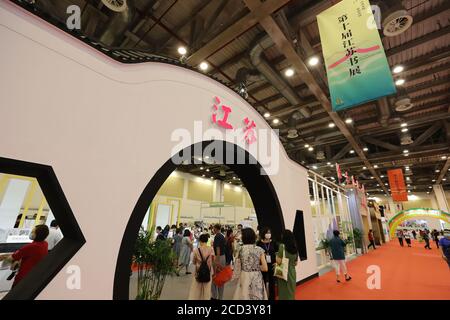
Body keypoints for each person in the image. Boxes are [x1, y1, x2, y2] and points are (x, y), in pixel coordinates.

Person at [233, 228, 268, 300]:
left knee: (244, 295)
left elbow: (237, 267)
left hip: (244, 275)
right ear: (254, 237)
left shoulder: (240, 249)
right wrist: (256, 267)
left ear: (243, 237)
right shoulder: (259, 250)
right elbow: (265, 268)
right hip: (256, 276)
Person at [188, 233, 215, 300]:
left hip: (198, 271)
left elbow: (193, 262)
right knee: (207, 289)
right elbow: (213, 260)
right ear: (207, 241)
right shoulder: (211, 249)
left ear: (200, 241)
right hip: (208, 271)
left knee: (196, 289)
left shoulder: (196, 250)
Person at [257, 227, 278, 300]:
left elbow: (276, 253)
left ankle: (272, 297)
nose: (268, 234)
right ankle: (262, 296)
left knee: (272, 282)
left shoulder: (273, 242)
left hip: (272, 264)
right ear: (264, 234)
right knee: (262, 281)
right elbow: (257, 254)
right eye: (267, 232)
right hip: (263, 265)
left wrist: (276, 262)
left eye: (269, 233)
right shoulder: (259, 243)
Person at [276, 230, 298, 300]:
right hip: (292, 272)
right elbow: (295, 263)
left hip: (283, 272)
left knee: (284, 291)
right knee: (291, 291)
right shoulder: (295, 247)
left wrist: (276, 255)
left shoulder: (282, 246)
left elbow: (279, 261)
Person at [211, 224, 226, 300]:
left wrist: (216, 261)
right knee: (221, 278)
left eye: (213, 228)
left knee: (216, 277)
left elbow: (218, 249)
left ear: (216, 228)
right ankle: (220, 297)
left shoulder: (217, 236)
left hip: (219, 257)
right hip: (223, 257)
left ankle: (214, 296)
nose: (213, 230)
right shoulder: (222, 236)